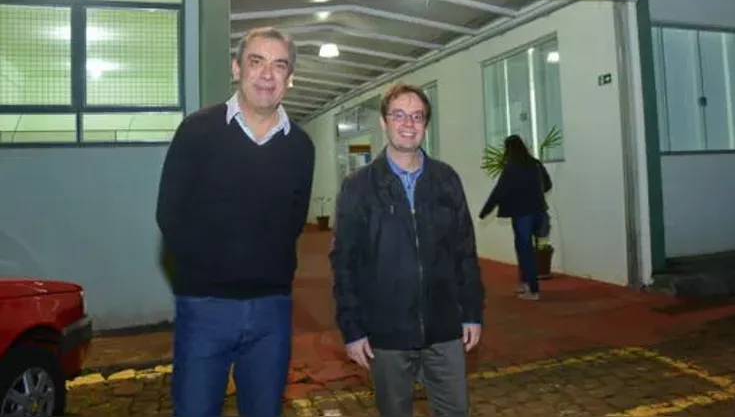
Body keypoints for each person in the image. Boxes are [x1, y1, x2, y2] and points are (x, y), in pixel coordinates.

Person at [156, 26, 315, 417]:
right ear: (236, 68)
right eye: (256, 61)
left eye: (279, 65)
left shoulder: (300, 146)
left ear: (289, 79)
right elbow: (169, 214)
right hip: (205, 308)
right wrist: (205, 277)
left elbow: (294, 221)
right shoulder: (197, 131)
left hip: (271, 312)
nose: (267, 74)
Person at [330, 83, 485, 417]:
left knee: (455, 410)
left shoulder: (446, 180)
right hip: (386, 333)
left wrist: (472, 311)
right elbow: (344, 263)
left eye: (417, 117)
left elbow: (465, 252)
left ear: (426, 125)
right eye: (398, 115)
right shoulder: (358, 188)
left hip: (445, 328)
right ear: (384, 123)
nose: (408, 124)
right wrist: (352, 328)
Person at [478, 134, 552, 301]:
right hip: (538, 212)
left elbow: (499, 191)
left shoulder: (511, 168)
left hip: (521, 215)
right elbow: (548, 185)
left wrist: (485, 211)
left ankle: (533, 290)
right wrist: (535, 196)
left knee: (524, 251)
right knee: (526, 249)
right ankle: (525, 283)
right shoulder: (535, 164)